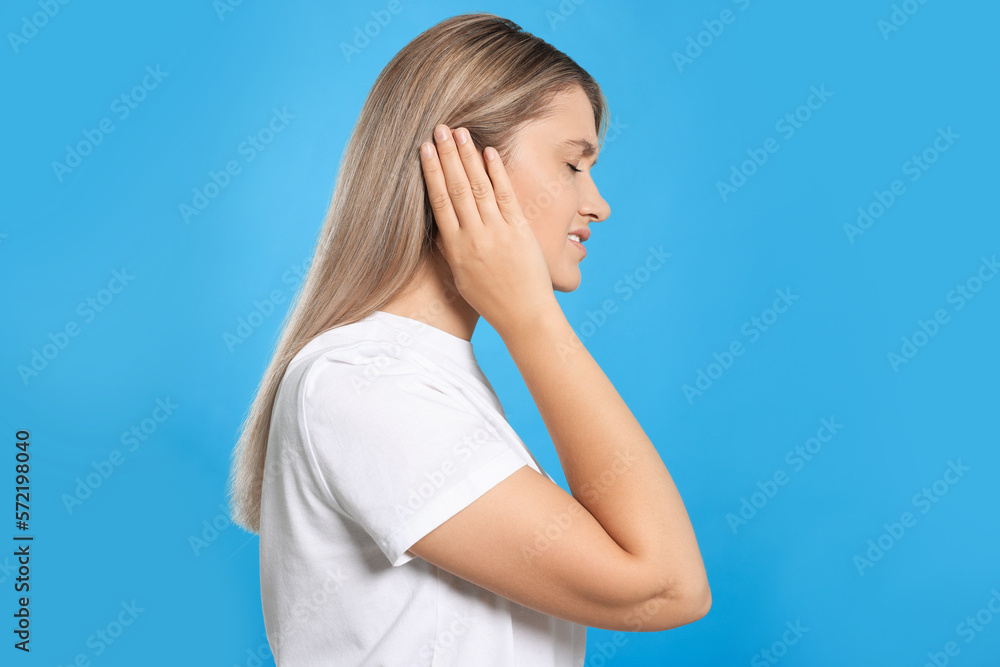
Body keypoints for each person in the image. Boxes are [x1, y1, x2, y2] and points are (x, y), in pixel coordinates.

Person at [226, 12, 711, 666]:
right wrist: (531, 318)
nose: (597, 203)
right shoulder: (364, 382)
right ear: (464, 168)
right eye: (573, 163)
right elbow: (665, 586)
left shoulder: (423, 376)